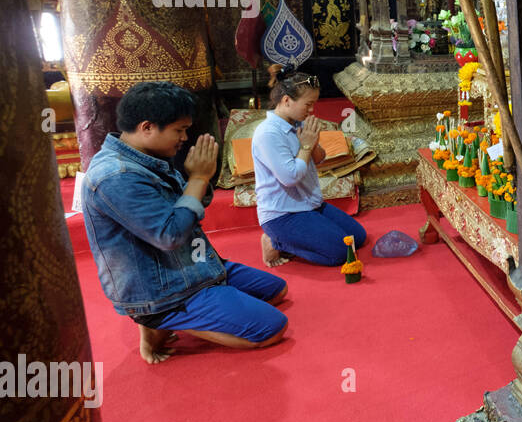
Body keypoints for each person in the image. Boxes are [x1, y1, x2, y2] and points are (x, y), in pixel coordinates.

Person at [82, 81, 289, 364]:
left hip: (197, 265)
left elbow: (188, 206)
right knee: (271, 329)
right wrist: (199, 178)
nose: (184, 137)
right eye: (179, 130)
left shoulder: (148, 156)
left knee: (277, 290)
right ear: (147, 127)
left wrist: (198, 179)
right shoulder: (116, 176)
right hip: (167, 289)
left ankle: (203, 307)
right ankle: (160, 320)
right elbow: (169, 234)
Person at [253, 67, 367, 267]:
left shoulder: (298, 123)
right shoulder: (268, 133)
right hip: (283, 214)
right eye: (308, 104)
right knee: (341, 253)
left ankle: (296, 236)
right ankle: (276, 241)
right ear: (286, 100)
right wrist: (305, 146)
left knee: (358, 237)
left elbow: (320, 158)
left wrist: (312, 142)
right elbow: (290, 177)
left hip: (310, 205)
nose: (312, 110)